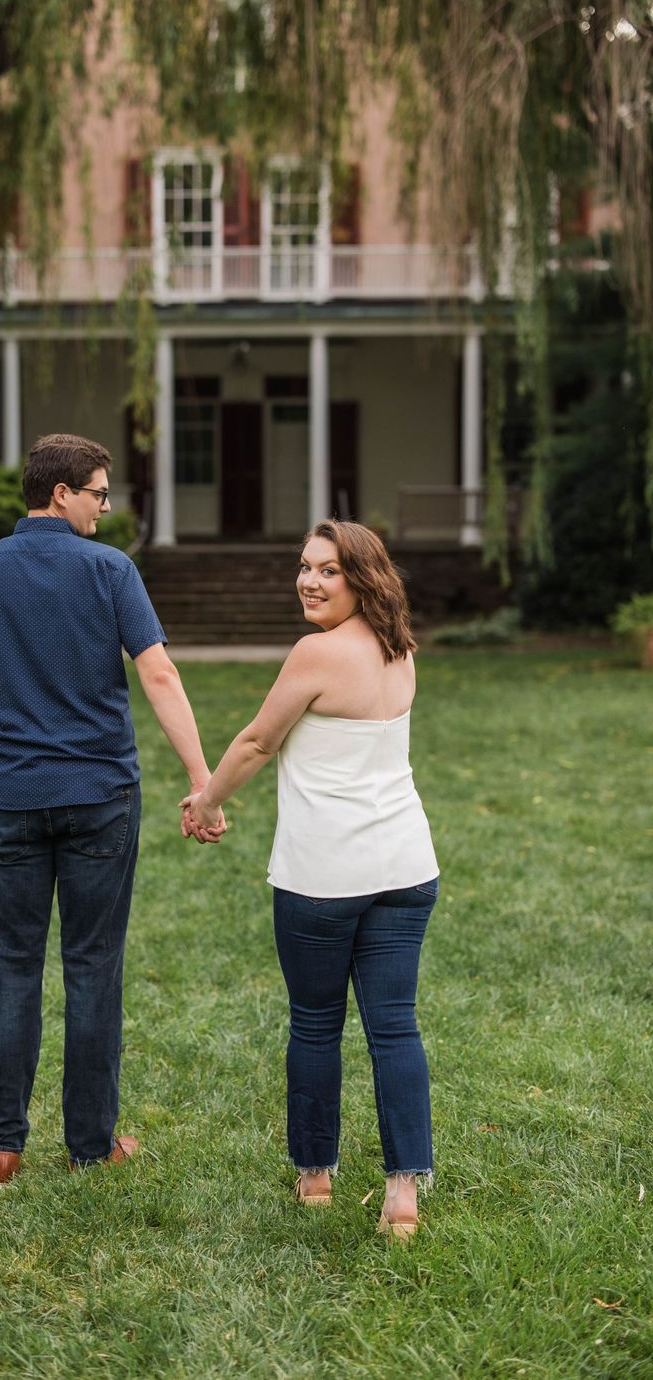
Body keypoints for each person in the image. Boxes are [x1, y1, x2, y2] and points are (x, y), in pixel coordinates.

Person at [0, 432, 218, 1185]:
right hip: (100, 800)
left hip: (11, 802)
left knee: (14, 967)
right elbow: (157, 676)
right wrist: (201, 779)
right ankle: (91, 1145)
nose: (104, 506)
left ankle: (1, 1147)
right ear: (60, 493)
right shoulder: (110, 571)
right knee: (93, 968)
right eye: (97, 491)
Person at [183, 520, 438, 1239]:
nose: (309, 581)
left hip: (325, 876)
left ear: (362, 579)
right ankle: (403, 1193)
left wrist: (206, 801)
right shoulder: (401, 649)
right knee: (395, 1027)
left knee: (317, 1025)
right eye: (304, 567)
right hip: (407, 867)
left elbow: (260, 740)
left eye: (328, 570)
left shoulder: (316, 654)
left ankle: (317, 1176)